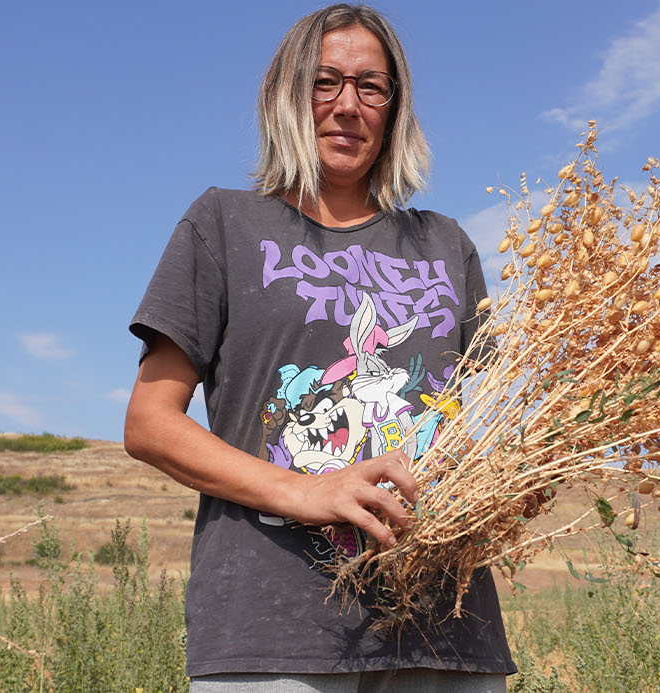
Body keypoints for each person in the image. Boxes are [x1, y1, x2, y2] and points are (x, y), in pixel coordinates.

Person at [125, 4, 516, 691]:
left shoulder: (445, 244)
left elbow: (474, 422)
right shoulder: (224, 224)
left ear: (394, 109)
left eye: (371, 87)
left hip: (445, 628)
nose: (347, 105)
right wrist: (307, 490)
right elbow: (149, 424)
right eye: (324, 81)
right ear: (286, 94)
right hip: (274, 632)